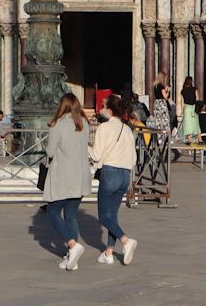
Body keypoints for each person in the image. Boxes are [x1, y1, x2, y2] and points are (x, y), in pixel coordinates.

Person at [43, 92, 93, 270]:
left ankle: (72, 245)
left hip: (64, 175)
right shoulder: (83, 124)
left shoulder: (58, 124)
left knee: (53, 212)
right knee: (71, 215)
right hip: (80, 175)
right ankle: (72, 258)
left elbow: (50, 152)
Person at [89, 95, 138, 265]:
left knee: (103, 216)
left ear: (109, 110)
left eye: (103, 105)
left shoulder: (104, 127)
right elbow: (133, 158)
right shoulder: (127, 129)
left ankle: (126, 241)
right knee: (113, 215)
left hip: (109, 172)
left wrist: (86, 148)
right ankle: (109, 252)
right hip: (125, 174)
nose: (101, 108)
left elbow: (96, 154)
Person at [179, 76, 201, 143]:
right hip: (194, 108)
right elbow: (197, 99)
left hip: (187, 108)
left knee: (187, 124)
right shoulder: (194, 89)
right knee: (196, 123)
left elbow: (182, 102)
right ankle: (199, 139)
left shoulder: (183, 91)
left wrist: (182, 111)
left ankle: (189, 139)